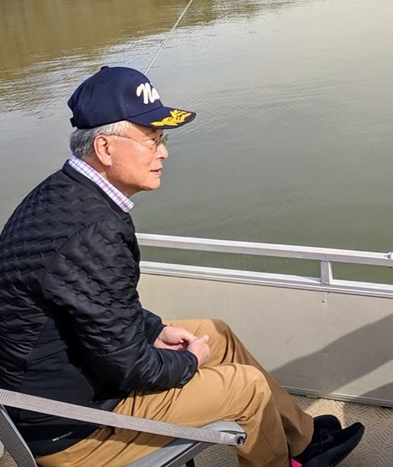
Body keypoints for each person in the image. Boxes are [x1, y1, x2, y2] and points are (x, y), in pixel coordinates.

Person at [0, 66, 364, 467]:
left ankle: (301, 440)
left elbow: (93, 306)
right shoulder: (93, 230)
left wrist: (154, 329)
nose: (164, 153)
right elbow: (130, 367)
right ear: (105, 148)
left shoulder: (63, 192)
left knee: (217, 334)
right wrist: (189, 361)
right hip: (73, 427)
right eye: (152, 140)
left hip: (64, 388)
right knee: (246, 388)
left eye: (162, 139)